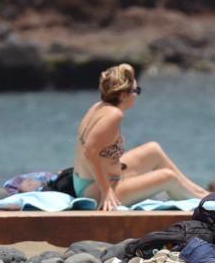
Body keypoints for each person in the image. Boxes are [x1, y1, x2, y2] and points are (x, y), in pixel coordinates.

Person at [74, 64, 206, 209]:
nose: (137, 95)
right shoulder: (114, 115)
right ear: (123, 95)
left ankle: (204, 194)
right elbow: (89, 151)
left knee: (153, 150)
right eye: (136, 91)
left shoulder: (99, 107)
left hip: (91, 180)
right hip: (95, 190)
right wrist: (106, 191)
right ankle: (207, 202)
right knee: (168, 177)